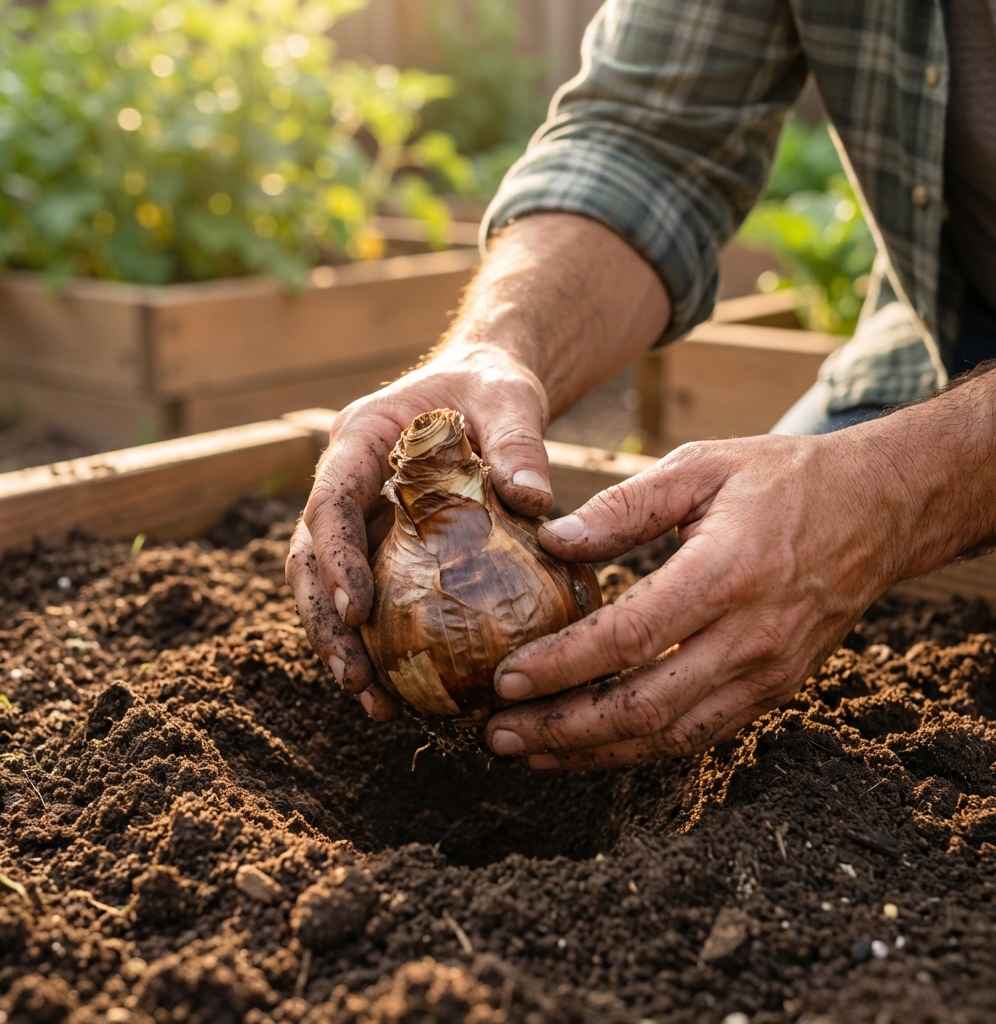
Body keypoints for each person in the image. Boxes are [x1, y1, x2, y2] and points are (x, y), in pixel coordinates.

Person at [286, 0, 996, 769]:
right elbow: (646, 140)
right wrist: (496, 346)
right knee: (751, 577)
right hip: (933, 334)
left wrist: (889, 488)